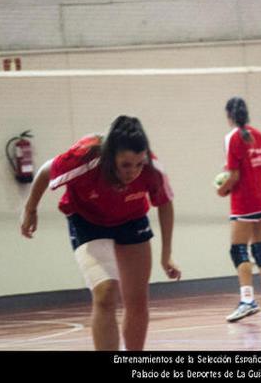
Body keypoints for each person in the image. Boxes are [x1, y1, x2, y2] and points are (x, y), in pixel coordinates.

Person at [20, 115, 181, 350]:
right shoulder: (84, 156)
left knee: (137, 301)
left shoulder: (151, 168)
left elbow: (165, 204)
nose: (133, 172)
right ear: (110, 156)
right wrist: (30, 209)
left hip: (131, 219)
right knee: (105, 294)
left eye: (138, 164)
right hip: (87, 220)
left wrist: (166, 254)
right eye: (126, 164)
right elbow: (46, 171)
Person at [217, 97, 261, 322]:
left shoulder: (232, 137)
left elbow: (234, 175)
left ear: (229, 116)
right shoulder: (258, 134)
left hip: (244, 201)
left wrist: (222, 189)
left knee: (238, 250)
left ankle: (247, 300)